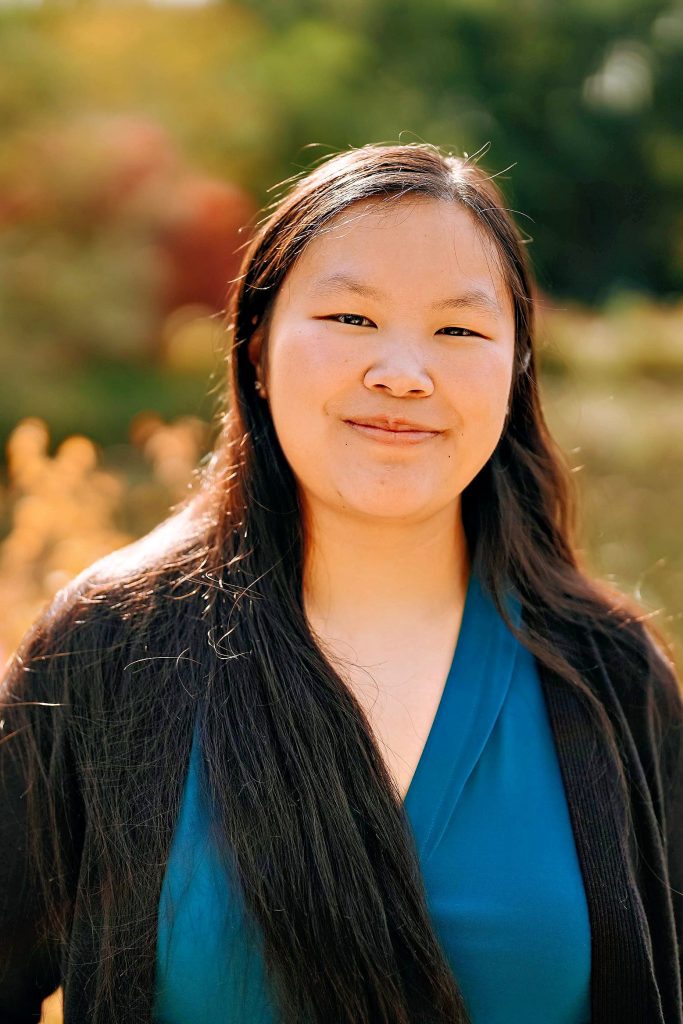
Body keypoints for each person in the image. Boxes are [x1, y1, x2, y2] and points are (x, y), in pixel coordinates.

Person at [0, 142, 681, 1024]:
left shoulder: (608, 677)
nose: (402, 372)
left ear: (514, 372)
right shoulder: (111, 647)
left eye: (459, 330)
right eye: (351, 319)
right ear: (254, 347)